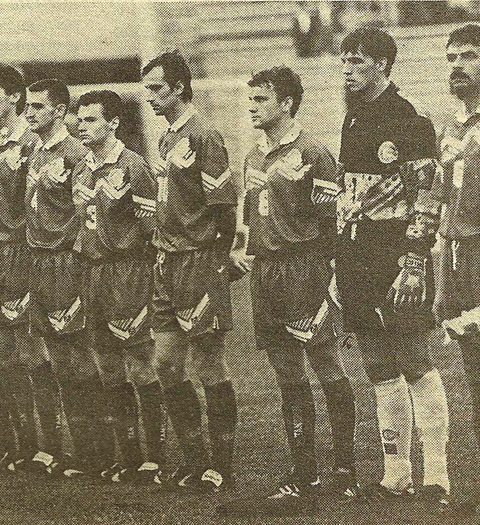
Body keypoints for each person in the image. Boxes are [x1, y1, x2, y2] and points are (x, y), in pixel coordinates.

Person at [222, 67, 356, 515]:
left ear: (286, 103)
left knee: (327, 365)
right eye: (251, 99)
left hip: (305, 270)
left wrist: (329, 276)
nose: (252, 107)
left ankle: (345, 471)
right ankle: (304, 474)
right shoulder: (252, 155)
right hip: (266, 274)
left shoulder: (313, 151)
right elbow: (251, 216)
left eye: (261, 99)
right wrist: (242, 250)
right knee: (287, 375)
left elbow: (333, 220)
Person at [335, 27, 449, 507]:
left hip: (397, 257)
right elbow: (349, 193)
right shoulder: (352, 117)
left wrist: (414, 262)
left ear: (382, 64)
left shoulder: (409, 119)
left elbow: (428, 195)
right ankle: (396, 474)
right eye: (344, 61)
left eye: (357, 62)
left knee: (415, 360)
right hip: (356, 257)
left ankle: (437, 475)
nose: (347, 70)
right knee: (378, 365)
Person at [141, 50, 239, 492]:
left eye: (157, 88)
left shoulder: (204, 135)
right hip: (166, 263)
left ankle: (221, 464)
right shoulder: (167, 138)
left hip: (199, 262)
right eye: (147, 89)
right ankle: (194, 459)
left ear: (179, 87)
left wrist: (217, 259)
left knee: (209, 363)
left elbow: (224, 207)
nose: (150, 97)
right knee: (165, 363)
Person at [72, 89, 166, 483]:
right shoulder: (80, 169)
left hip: (129, 273)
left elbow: (153, 229)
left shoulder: (134, 166)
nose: (82, 126)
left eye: (91, 119)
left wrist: (151, 277)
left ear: (113, 123)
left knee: (141, 363)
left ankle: (155, 457)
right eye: (79, 119)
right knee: (108, 366)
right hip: (92, 274)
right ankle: (128, 455)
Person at [25, 78, 106, 478]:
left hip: (67, 263)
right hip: (38, 262)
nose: (29, 113)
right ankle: (83, 450)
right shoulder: (35, 152)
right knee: (58, 360)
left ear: (58, 111)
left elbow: (85, 215)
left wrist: (75, 261)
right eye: (28, 106)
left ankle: (102, 451)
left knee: (80, 355)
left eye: (38, 107)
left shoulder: (76, 153)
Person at [0, 65, 55, 473]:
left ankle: (51, 446)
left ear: (14, 97)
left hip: (19, 255)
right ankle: (24, 445)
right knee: (2, 354)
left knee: (31, 351)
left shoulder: (31, 143)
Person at [432, 24, 480, 513]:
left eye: (469, 56)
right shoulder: (451, 128)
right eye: (451, 57)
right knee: (477, 377)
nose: (457, 65)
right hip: (459, 260)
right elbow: (443, 204)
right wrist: (440, 280)